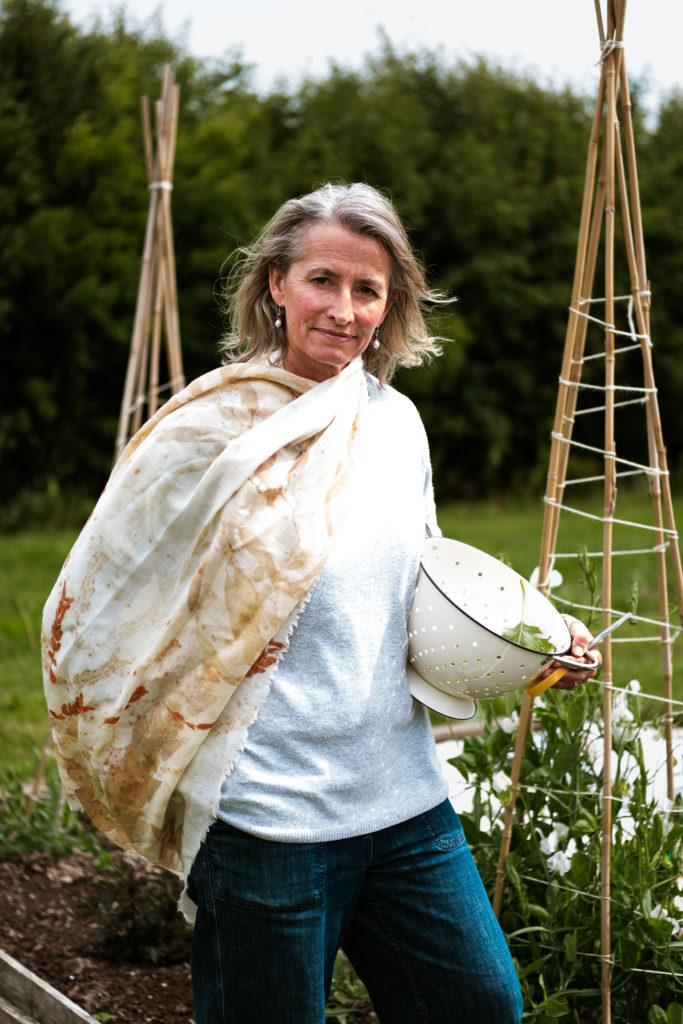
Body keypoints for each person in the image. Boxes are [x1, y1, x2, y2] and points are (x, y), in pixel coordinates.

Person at [42, 182, 599, 1024]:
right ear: (275, 284)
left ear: (389, 304)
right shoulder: (211, 431)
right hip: (268, 821)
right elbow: (110, 589)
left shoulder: (394, 422)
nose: (343, 309)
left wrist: (534, 642)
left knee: (480, 1005)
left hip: (404, 803)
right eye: (321, 281)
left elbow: (419, 587)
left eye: (366, 289)